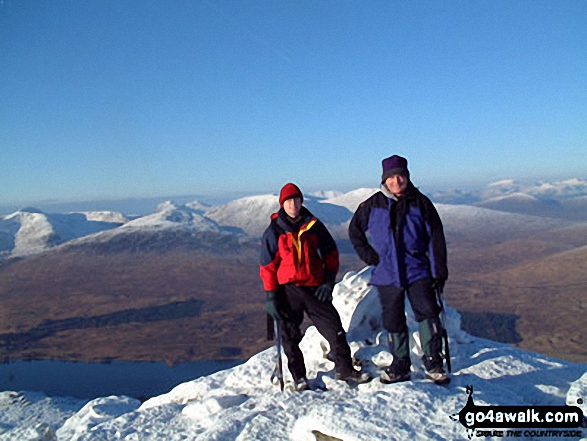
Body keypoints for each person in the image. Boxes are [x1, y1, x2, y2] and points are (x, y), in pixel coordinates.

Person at [348, 155, 449, 384]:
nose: (396, 181)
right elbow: (355, 230)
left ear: (407, 176)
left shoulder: (421, 203)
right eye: (391, 177)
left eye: (400, 176)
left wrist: (438, 271)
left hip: (418, 271)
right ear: (384, 180)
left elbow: (436, 238)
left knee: (429, 315)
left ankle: (434, 362)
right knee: (393, 320)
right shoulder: (373, 204)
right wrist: (368, 255)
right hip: (387, 273)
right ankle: (400, 365)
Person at [260, 183, 371, 390]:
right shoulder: (274, 231)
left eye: (296, 199)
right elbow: (267, 266)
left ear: (302, 201)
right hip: (288, 290)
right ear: (282, 204)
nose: (293, 204)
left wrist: (328, 281)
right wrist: (271, 296)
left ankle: (345, 369)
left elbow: (330, 253)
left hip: (315, 287)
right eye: (288, 201)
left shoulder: (313, 225)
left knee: (334, 328)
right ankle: (299, 377)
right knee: (289, 335)